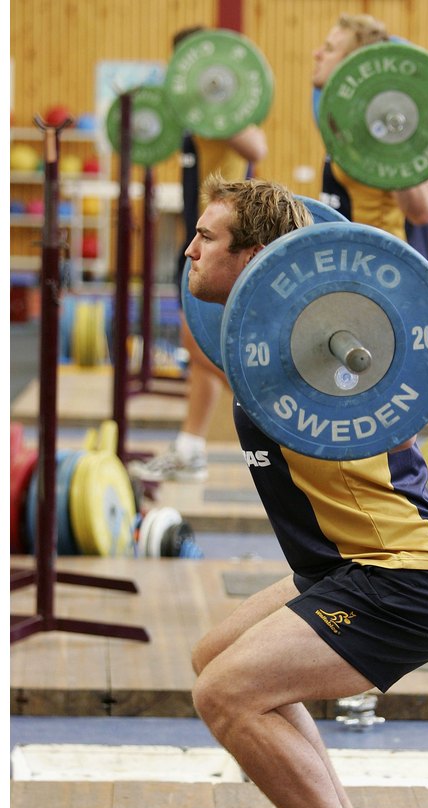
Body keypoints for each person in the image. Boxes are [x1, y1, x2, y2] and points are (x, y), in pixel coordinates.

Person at [186, 173, 428, 808]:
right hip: (346, 568)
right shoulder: (269, 351)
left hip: (408, 577)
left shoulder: (327, 361)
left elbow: (387, 372)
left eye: (207, 238)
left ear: (255, 256)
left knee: (226, 694)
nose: (188, 249)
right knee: (217, 654)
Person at [129, 26, 268, 484]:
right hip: (198, 239)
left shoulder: (223, 112)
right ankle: (191, 448)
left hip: (221, 245)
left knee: (201, 345)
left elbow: (257, 147)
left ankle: (276, 414)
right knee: (198, 347)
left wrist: (216, 104)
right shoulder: (187, 114)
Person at [313, 13, 428, 265]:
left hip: (380, 269)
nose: (316, 54)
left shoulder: (382, 129)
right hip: (350, 263)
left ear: (351, 64)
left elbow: (424, 210)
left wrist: (394, 150)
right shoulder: (352, 122)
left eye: (328, 49)